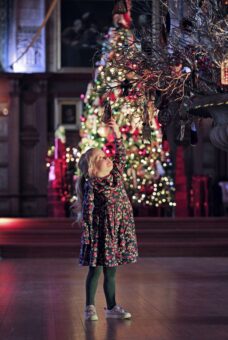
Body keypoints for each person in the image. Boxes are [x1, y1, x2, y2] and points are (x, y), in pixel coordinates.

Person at [75, 117, 138, 321]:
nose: (108, 157)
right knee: (96, 270)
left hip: (118, 231)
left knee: (111, 273)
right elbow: (88, 211)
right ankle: (89, 307)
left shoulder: (116, 175)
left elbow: (122, 154)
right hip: (101, 234)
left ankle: (111, 307)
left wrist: (117, 132)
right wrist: (89, 235)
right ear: (93, 168)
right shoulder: (92, 185)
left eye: (106, 154)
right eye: (102, 157)